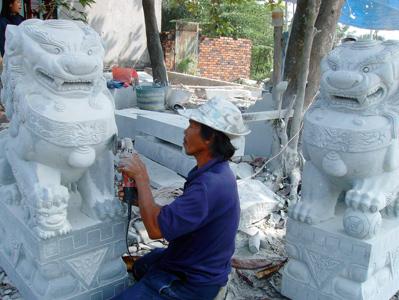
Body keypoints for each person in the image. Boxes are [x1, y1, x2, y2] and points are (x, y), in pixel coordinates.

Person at [115, 98, 250, 300]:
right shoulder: (213, 171)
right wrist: (140, 200)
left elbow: (154, 230)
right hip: (188, 259)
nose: (185, 131)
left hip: (192, 282)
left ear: (210, 138)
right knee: (141, 266)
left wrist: (142, 177)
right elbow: (179, 216)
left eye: (192, 126)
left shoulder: (208, 186)